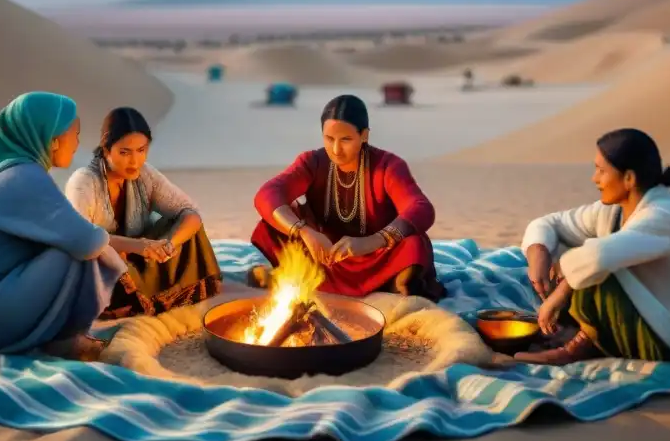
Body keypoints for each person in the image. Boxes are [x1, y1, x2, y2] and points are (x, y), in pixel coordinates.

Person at [0, 92, 128, 362]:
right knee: (77, 254)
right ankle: (65, 340)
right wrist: (112, 245)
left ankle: (60, 337)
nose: (78, 143)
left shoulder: (4, 173)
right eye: (75, 133)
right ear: (52, 141)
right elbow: (88, 242)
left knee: (69, 243)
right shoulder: (24, 178)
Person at [515, 128, 670, 366]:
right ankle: (580, 331)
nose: (594, 178)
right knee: (560, 249)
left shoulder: (664, 215)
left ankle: (577, 349)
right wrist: (538, 252)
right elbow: (551, 223)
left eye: (601, 171)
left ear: (629, 179)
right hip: (649, 318)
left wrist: (559, 294)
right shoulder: (613, 211)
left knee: (594, 266)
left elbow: (598, 256)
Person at [249, 94, 445, 301]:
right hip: (325, 254)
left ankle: (292, 277)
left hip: (377, 255)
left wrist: (374, 241)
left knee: (414, 243)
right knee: (271, 225)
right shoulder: (312, 162)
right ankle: (380, 284)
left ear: (364, 135)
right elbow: (268, 194)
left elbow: (421, 207)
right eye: (329, 139)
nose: (336, 149)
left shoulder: (387, 165)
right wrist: (303, 231)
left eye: (346, 140)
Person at [65, 107, 222, 318]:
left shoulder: (145, 174)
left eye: (141, 150)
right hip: (99, 266)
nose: (135, 161)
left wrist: (168, 245)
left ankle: (150, 294)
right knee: (103, 257)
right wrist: (139, 246)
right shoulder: (84, 181)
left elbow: (190, 213)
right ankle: (125, 301)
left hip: (137, 259)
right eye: (124, 152)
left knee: (185, 227)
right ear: (105, 149)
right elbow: (80, 239)